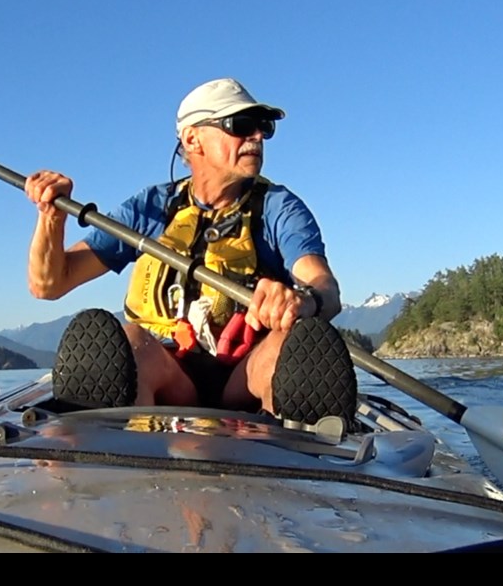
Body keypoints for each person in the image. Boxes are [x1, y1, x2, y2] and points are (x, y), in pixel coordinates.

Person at [24, 78, 357, 428]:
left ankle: (287, 462)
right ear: (192, 138)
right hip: (171, 374)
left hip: (243, 378)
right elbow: (49, 284)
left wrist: (303, 301)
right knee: (125, 339)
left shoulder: (278, 208)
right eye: (241, 126)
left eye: (264, 127)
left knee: (294, 343)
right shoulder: (150, 208)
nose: (257, 136)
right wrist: (51, 217)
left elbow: (325, 288)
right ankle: (115, 460)